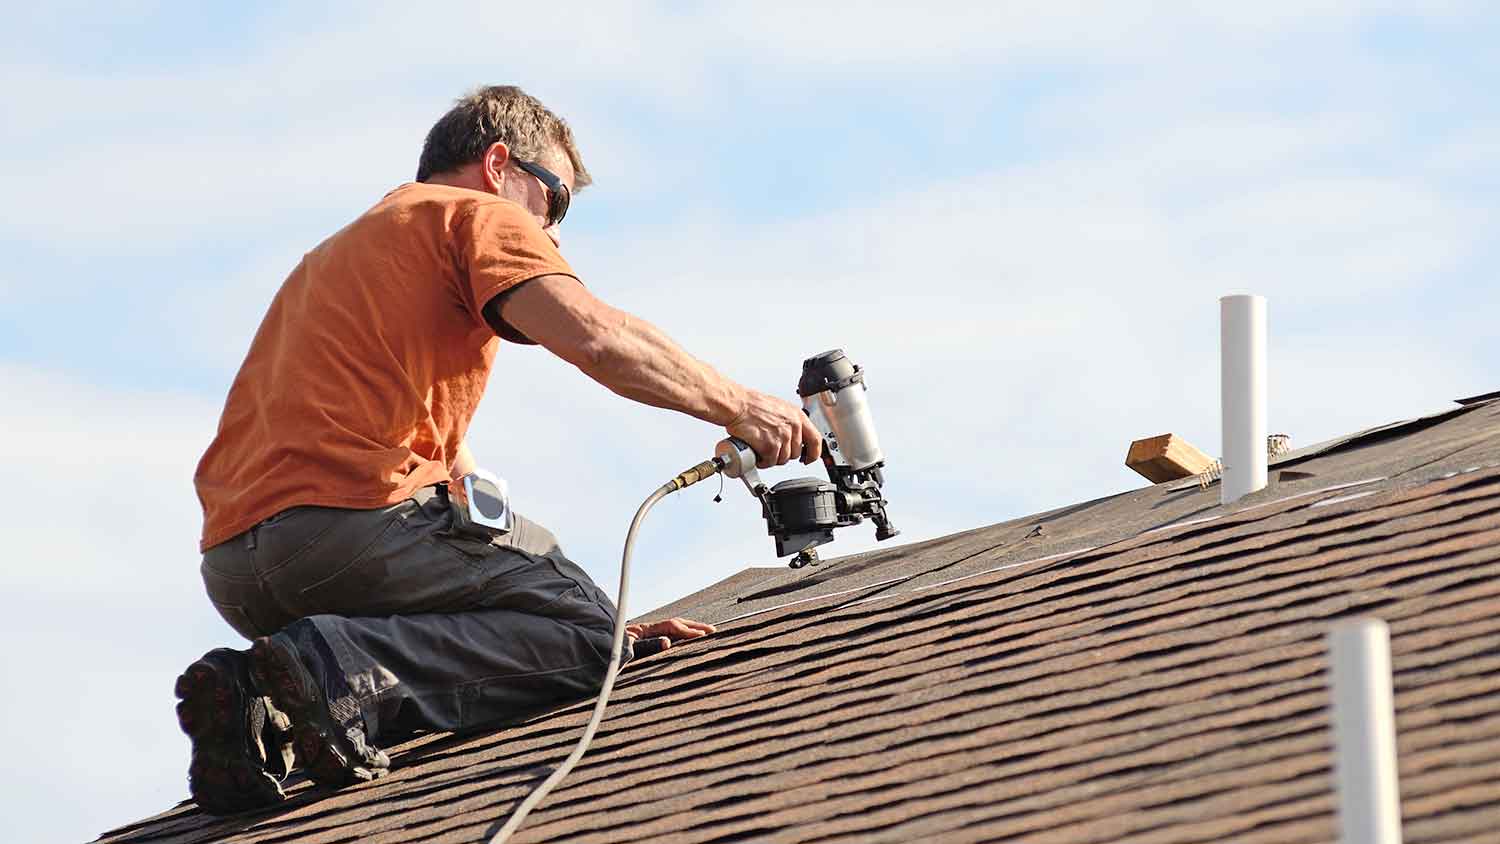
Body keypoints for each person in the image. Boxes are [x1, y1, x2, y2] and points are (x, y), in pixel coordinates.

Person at [176, 85, 822, 814]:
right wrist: (743, 407)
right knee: (593, 643)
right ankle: (337, 667)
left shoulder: (339, 255)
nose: (553, 232)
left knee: (561, 608)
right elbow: (597, 338)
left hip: (235, 567)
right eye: (554, 201)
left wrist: (563, 612)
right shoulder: (474, 215)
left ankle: (256, 703)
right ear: (496, 164)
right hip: (350, 529)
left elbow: (452, 484)